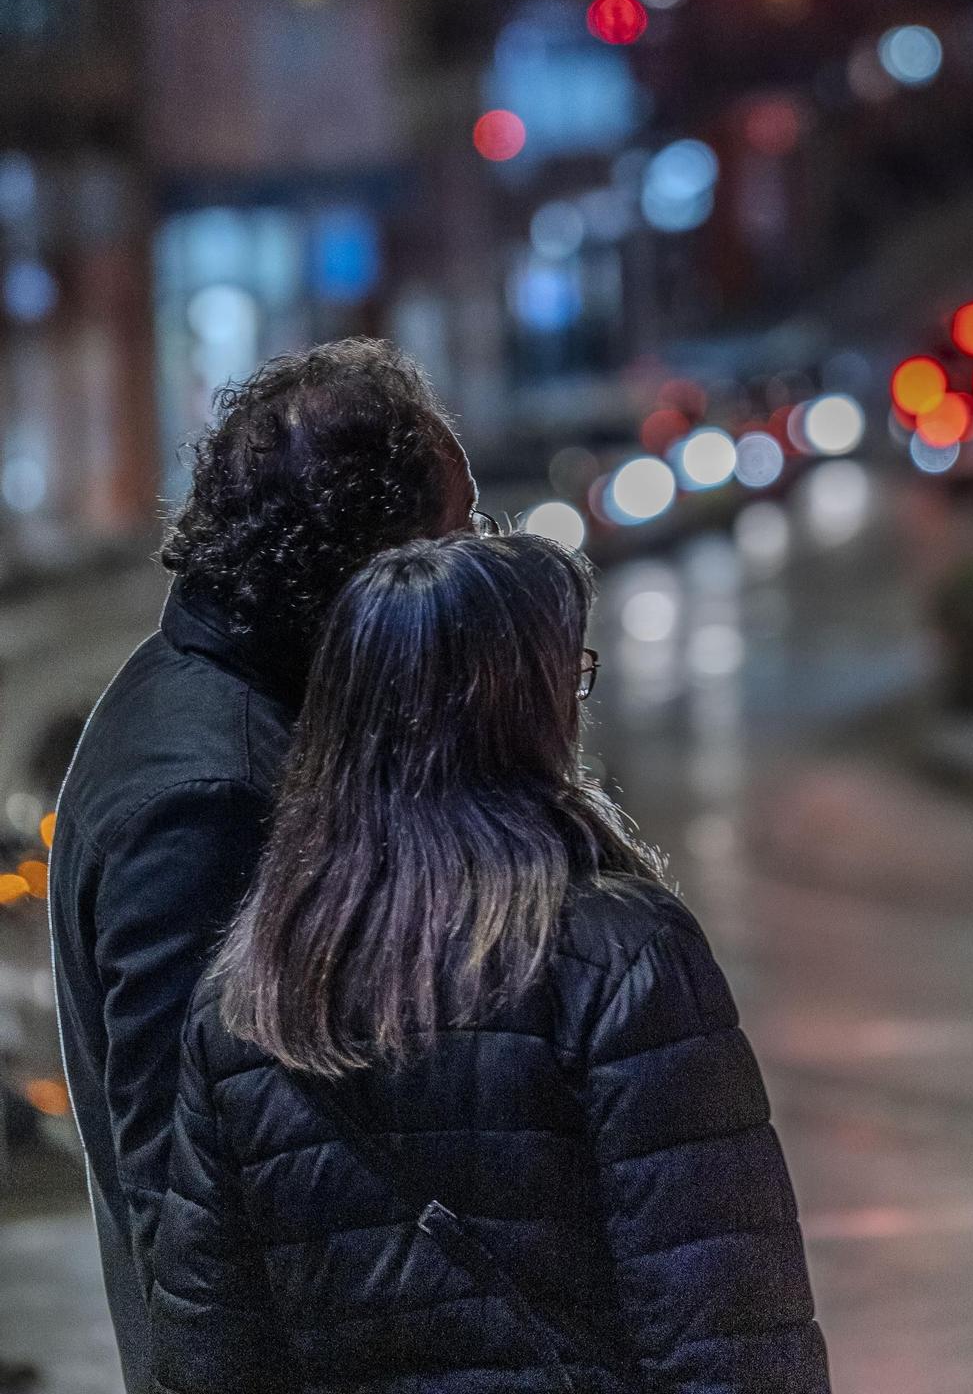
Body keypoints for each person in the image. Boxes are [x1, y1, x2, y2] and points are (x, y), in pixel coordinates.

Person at [149, 534, 830, 1393]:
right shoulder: (616, 958)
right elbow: (727, 1323)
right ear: (518, 711)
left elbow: (207, 1350)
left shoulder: (248, 994)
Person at [48, 340, 477, 1394]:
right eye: (448, 543)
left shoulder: (239, 706)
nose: (462, 579)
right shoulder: (209, 795)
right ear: (356, 559)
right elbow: (187, 1209)